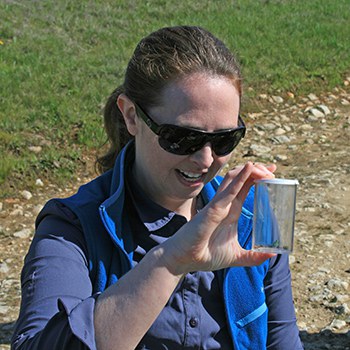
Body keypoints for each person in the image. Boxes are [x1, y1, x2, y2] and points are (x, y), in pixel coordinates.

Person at [12, 26, 303, 349]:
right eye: (181, 138)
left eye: (224, 139)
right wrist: (171, 260)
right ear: (132, 116)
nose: (205, 160)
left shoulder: (249, 220)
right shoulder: (72, 227)